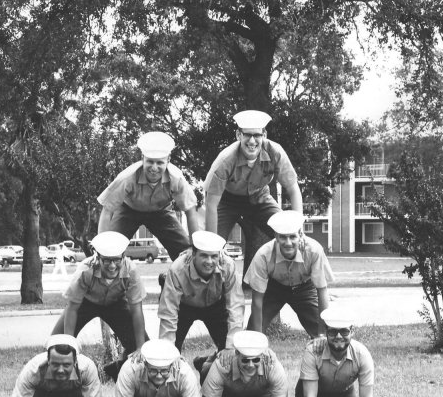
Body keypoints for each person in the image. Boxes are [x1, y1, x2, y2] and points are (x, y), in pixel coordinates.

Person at [51, 231, 148, 380]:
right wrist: (69, 344)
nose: (112, 266)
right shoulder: (85, 270)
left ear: (123, 257)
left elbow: (136, 310)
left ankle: (118, 368)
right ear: (97, 257)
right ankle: (58, 380)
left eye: (117, 260)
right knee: (57, 342)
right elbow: (72, 308)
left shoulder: (131, 270)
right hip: (87, 302)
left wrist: (140, 347)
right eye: (107, 261)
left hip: (116, 304)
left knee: (145, 349)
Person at [97, 131, 200, 261]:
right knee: (110, 251)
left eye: (160, 163)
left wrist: (195, 248)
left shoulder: (177, 178)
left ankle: (182, 277)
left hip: (161, 212)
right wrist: (102, 247)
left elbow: (190, 210)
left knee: (186, 252)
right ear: (142, 158)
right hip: (128, 211)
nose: (154, 168)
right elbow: (107, 210)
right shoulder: (127, 177)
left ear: (168, 160)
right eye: (150, 162)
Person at [203, 110, 303, 241]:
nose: (252, 141)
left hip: (259, 196)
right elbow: (211, 204)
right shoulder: (225, 161)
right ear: (239, 135)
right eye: (247, 135)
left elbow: (293, 189)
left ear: (264, 135)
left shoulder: (275, 153)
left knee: (288, 234)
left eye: (257, 135)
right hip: (226, 200)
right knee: (213, 245)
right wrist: (212, 244)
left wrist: (298, 229)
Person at [292, 307, 375, 397]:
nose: (338, 336)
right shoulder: (313, 351)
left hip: (343, 394)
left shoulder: (362, 355)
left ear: (352, 331)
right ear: (326, 331)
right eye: (332, 331)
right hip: (315, 394)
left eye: (344, 331)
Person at [244, 210, 333, 338]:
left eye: (292, 236)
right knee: (252, 334)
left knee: (325, 333)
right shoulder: (263, 254)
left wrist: (322, 334)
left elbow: (322, 290)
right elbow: (257, 300)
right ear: (276, 236)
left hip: (305, 288)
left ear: (301, 235)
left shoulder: (314, 250)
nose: (288, 242)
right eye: (283, 237)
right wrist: (256, 338)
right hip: (274, 288)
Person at [158, 230, 245, 353]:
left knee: (229, 351)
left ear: (219, 255)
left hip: (215, 306)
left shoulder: (228, 265)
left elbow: (235, 307)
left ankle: (206, 364)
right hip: (183, 307)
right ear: (193, 254)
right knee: (170, 351)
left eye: (214, 256)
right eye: (204, 255)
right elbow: (168, 313)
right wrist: (167, 356)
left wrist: (231, 347)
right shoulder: (177, 269)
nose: (209, 262)